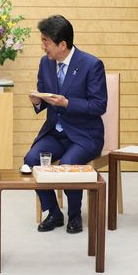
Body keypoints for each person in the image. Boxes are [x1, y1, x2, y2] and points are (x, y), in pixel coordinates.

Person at [22, 15, 107, 233]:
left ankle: (75, 215)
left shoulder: (91, 64)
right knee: (31, 159)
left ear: (62, 44)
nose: (43, 47)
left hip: (85, 134)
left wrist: (67, 103)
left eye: (45, 41)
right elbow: (44, 96)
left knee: (68, 164)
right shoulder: (45, 63)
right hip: (56, 131)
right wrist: (37, 102)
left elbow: (99, 106)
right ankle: (54, 212)